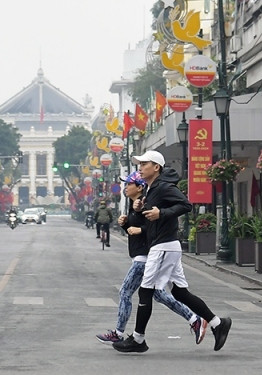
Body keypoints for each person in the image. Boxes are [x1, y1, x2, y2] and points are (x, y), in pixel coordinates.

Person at [113, 150, 232, 354]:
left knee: (146, 290)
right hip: (165, 246)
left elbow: (186, 205)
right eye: (139, 164)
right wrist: (140, 208)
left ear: (156, 167)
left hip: (164, 246)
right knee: (179, 292)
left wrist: (162, 213)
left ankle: (138, 339)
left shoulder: (164, 186)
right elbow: (149, 218)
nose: (140, 168)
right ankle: (217, 323)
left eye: (144, 164)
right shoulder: (151, 189)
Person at [96, 171, 205, 345]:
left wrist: (139, 229)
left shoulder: (146, 204)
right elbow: (134, 231)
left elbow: (154, 228)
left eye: (129, 184)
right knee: (159, 295)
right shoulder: (135, 205)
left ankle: (119, 333)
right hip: (143, 255)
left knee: (125, 292)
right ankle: (194, 319)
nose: (125, 187)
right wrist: (126, 225)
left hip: (146, 257)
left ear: (139, 187)